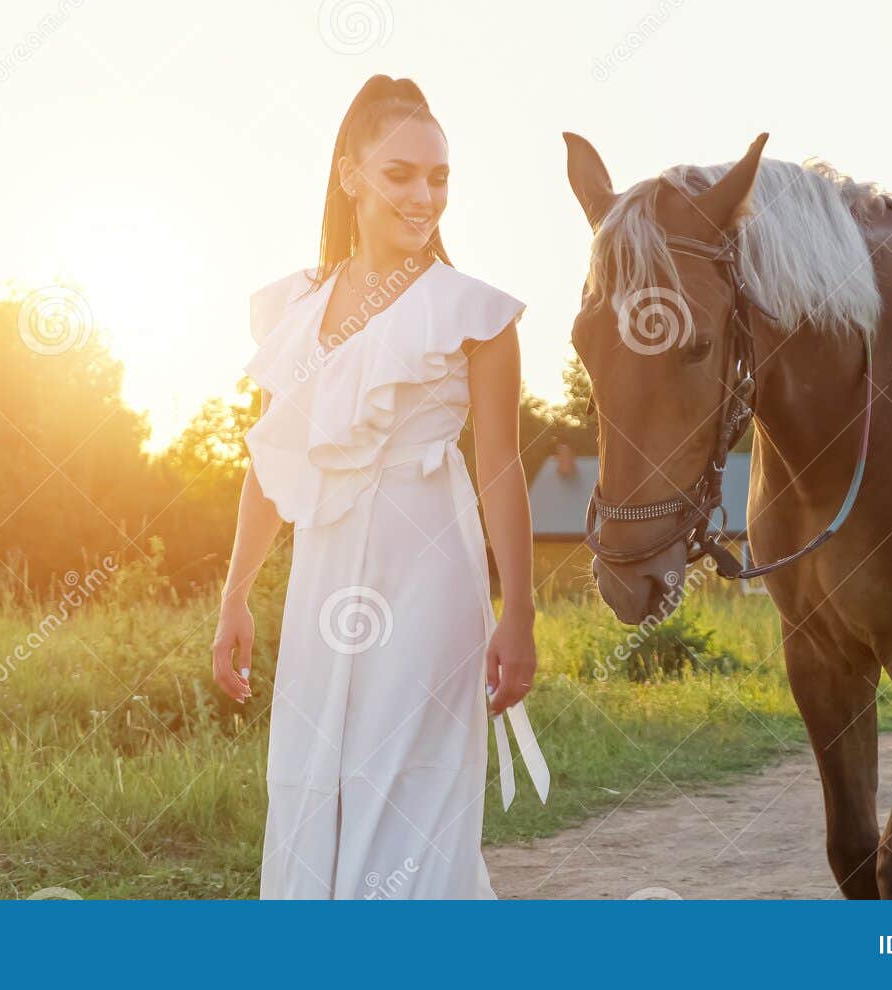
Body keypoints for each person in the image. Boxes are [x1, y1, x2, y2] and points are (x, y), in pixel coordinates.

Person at [211, 74, 549, 899]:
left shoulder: (477, 314)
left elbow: (501, 468)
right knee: (308, 780)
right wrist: (236, 595)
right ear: (350, 175)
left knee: (408, 793)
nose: (423, 195)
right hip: (325, 579)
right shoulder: (293, 306)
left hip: (431, 575)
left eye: (438, 177)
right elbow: (268, 463)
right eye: (400, 174)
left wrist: (521, 612)